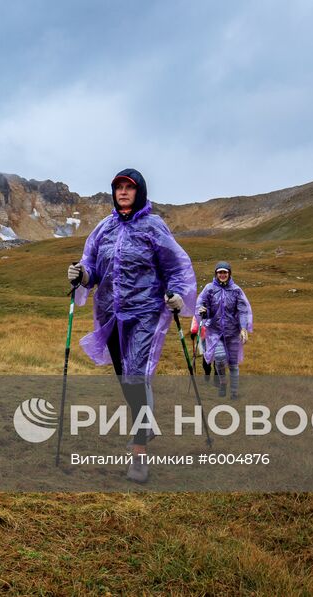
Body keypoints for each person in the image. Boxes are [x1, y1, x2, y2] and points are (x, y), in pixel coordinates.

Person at [66, 168, 196, 484]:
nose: (123, 192)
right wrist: (82, 275)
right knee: (126, 379)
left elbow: (177, 265)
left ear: (140, 192)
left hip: (145, 313)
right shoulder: (103, 229)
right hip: (110, 312)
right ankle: (146, 423)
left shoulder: (154, 226)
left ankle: (139, 457)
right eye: (119, 187)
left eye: (129, 187)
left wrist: (178, 294)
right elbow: (93, 267)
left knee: (137, 376)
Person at [196, 261, 253, 399]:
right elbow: (202, 305)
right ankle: (222, 383)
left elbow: (242, 310)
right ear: (216, 274)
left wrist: (244, 328)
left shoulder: (236, 290)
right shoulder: (209, 289)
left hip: (232, 332)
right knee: (220, 358)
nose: (222, 275)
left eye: (225, 272)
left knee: (233, 365)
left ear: (229, 274)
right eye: (220, 272)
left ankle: (234, 393)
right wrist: (203, 311)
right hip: (215, 332)